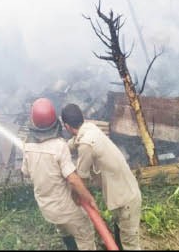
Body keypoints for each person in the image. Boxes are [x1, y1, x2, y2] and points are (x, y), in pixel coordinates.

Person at [61, 104, 143, 251]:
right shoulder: (90, 128)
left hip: (126, 201)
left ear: (66, 126)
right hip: (123, 195)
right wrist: (58, 150)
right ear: (82, 117)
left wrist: (75, 194)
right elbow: (73, 143)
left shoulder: (86, 144)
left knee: (130, 245)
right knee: (120, 238)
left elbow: (81, 179)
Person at [22, 98, 98, 251]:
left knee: (64, 230)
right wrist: (89, 198)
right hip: (66, 208)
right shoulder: (59, 146)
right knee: (85, 233)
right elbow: (73, 179)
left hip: (47, 208)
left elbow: (26, 172)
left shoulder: (27, 145)